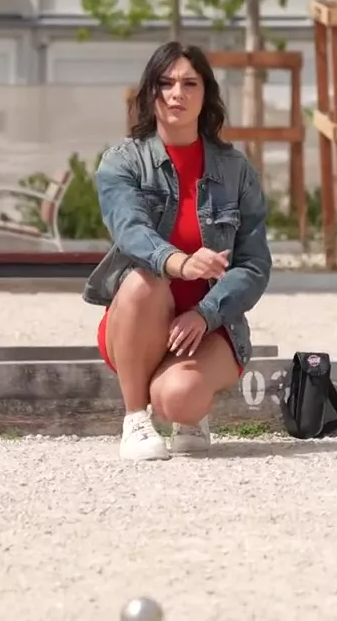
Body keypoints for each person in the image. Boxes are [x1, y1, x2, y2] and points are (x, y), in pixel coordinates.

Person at [81, 42, 272, 461]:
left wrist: (205, 314)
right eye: (165, 83)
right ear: (151, 92)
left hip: (212, 325)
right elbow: (130, 230)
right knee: (144, 281)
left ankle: (183, 406)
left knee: (180, 398)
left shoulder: (236, 170)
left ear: (206, 94)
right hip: (137, 322)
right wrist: (180, 264)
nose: (176, 94)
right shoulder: (122, 163)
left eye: (189, 83)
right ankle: (135, 419)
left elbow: (255, 265)